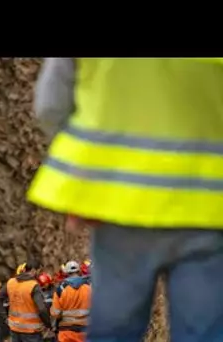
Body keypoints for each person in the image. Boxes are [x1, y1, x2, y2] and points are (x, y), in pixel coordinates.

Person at [28, 58, 223, 341]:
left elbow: (50, 106)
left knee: (114, 329)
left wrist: (83, 174)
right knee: (204, 331)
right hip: (208, 207)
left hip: (118, 206)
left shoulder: (61, 287)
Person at [0, 260, 52, 342]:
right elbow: (41, 309)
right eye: (39, 271)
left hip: (14, 329)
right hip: (31, 332)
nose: (40, 274)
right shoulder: (33, 285)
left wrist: (5, 318)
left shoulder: (11, 282)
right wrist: (48, 324)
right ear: (33, 270)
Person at [51, 261, 91, 342]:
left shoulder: (60, 289)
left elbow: (55, 313)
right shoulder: (89, 288)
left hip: (66, 332)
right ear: (79, 271)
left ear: (66, 272)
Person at [36, 273, 56, 342]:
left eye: (44, 284)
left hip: (52, 320)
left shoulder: (54, 291)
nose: (43, 286)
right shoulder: (38, 291)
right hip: (42, 321)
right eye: (41, 285)